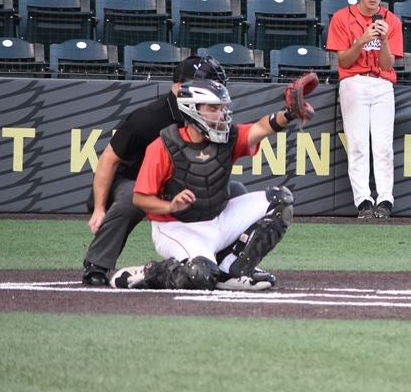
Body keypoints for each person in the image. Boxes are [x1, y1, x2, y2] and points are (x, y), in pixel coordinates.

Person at [81, 55, 274, 291]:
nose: (214, 89)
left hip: (179, 181)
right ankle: (97, 264)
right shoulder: (148, 118)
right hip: (134, 179)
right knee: (133, 198)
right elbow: (109, 160)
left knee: (234, 191)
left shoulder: (211, 113)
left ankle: (227, 265)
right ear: (181, 86)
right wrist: (99, 208)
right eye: (207, 82)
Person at [110, 74, 316, 290]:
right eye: (213, 108)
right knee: (199, 276)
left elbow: (261, 128)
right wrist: (170, 206)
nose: (221, 114)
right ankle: (152, 272)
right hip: (175, 226)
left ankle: (231, 270)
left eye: (222, 108)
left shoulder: (228, 137)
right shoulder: (163, 145)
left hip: (217, 219)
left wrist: (289, 114)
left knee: (280, 200)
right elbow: (140, 199)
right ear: (192, 108)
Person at [324, 0, 404, 220]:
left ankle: (385, 199)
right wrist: (361, 40)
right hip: (354, 82)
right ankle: (363, 201)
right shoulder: (341, 18)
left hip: (381, 84)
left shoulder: (391, 20)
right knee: (358, 144)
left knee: (382, 145)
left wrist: (383, 40)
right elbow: (345, 63)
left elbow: (388, 64)